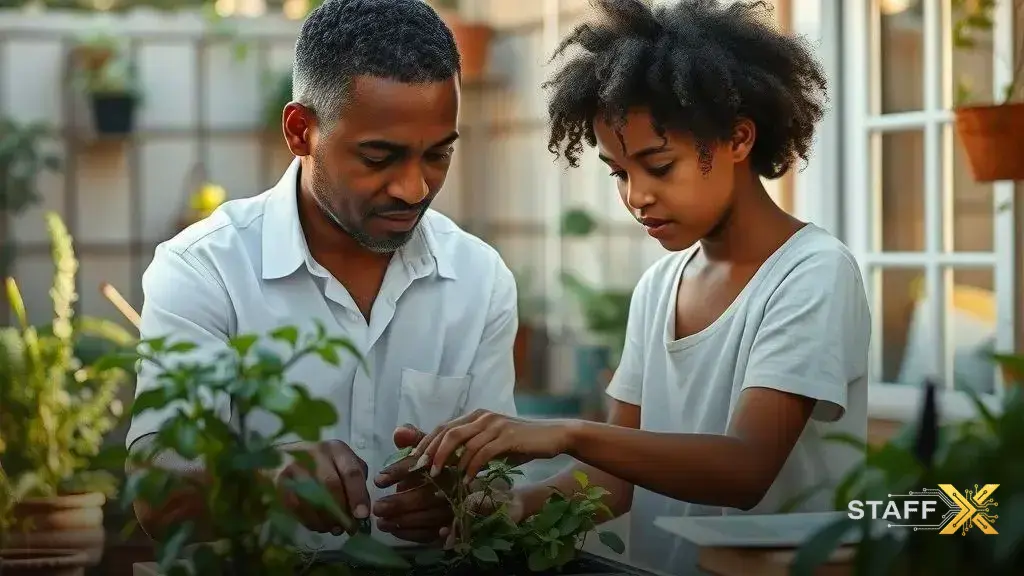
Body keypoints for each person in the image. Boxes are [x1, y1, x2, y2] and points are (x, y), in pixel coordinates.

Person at [378, 0, 871, 573]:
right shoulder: (660, 286)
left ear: (738, 139)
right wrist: (505, 508)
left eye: (658, 166)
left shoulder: (811, 272)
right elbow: (614, 481)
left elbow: (746, 469)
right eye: (619, 172)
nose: (636, 196)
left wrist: (566, 433)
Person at [125, 0, 518, 551]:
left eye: (437, 155)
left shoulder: (480, 279)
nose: (414, 188)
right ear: (300, 131)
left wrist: (464, 502)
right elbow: (156, 492)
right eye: (379, 157)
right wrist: (262, 481)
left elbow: (500, 483)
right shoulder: (205, 270)